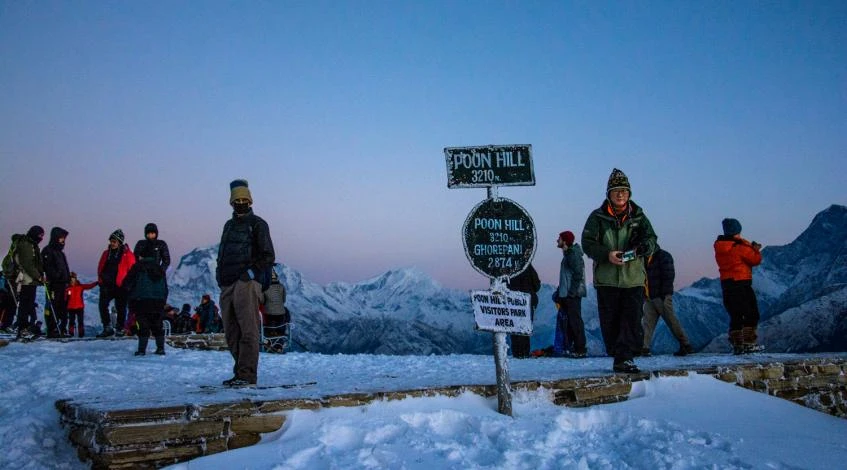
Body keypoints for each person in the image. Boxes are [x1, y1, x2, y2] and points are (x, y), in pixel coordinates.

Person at [582, 168, 657, 373]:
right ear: (608, 194)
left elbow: (652, 239)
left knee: (632, 318)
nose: (620, 194)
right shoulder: (597, 218)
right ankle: (619, 355)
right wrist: (607, 254)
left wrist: (643, 247)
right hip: (607, 278)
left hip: (633, 278)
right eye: (616, 190)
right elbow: (587, 243)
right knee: (611, 320)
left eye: (624, 190)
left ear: (629, 193)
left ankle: (625, 357)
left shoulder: (639, 217)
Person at [216, 179, 275, 386]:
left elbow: (268, 256)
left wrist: (249, 274)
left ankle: (247, 374)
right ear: (232, 202)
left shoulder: (258, 224)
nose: (241, 203)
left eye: (244, 200)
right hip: (227, 282)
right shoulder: (229, 226)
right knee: (231, 331)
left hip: (247, 282)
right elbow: (222, 252)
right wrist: (219, 274)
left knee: (248, 329)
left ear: (250, 201)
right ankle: (239, 371)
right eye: (237, 200)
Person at [714, 218, 763, 354]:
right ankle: (748, 343)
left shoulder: (719, 247)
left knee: (735, 315)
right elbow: (755, 260)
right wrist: (755, 249)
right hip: (741, 283)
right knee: (751, 313)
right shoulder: (739, 247)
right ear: (736, 231)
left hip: (727, 285)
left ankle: (737, 344)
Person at [642, 246, 693, 356]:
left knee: (671, 321)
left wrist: (664, 294)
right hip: (649, 296)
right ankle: (644, 348)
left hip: (661, 296)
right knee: (647, 323)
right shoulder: (643, 257)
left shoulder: (663, 256)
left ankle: (686, 344)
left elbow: (668, 276)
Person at [124, 231, 169, 356]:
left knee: (142, 326)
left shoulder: (137, 268)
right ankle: (160, 348)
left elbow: (127, 283)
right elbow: (165, 288)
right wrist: (162, 300)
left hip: (140, 302)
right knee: (157, 325)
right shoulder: (160, 270)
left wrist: (130, 298)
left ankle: (142, 350)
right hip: (157, 302)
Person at [130, 223, 170, 336]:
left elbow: (167, 260)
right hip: (143, 277)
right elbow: (135, 257)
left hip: (157, 277)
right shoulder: (141, 244)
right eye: (148, 233)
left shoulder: (161, 244)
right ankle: (143, 332)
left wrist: (160, 271)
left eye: (153, 233)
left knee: (158, 304)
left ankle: (158, 337)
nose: (151, 235)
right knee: (143, 307)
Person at [96, 229, 136, 337]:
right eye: (111, 241)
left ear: (120, 242)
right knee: (103, 305)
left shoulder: (127, 255)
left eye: (114, 241)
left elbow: (133, 270)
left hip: (121, 286)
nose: (112, 243)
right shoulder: (106, 253)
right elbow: (100, 267)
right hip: (107, 285)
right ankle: (107, 327)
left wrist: (128, 284)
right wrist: (101, 280)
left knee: (121, 307)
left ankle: (120, 328)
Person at [555, 231, 588, 358]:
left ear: (565, 241)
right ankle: (574, 347)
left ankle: (580, 349)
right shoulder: (568, 255)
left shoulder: (572, 255)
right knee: (570, 322)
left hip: (572, 296)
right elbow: (567, 276)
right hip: (567, 295)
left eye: (559, 238)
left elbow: (578, 274)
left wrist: (571, 293)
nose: (557, 240)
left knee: (575, 321)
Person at [11, 226, 45, 339]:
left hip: (29, 280)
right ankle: (22, 330)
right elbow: (27, 264)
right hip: (26, 279)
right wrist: (38, 276)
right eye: (40, 235)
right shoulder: (26, 245)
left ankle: (24, 329)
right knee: (25, 305)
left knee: (27, 304)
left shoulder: (30, 244)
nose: (41, 238)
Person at [41, 227, 71, 337]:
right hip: (53, 284)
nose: (63, 240)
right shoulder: (48, 250)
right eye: (62, 238)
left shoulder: (60, 253)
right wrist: (56, 276)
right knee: (52, 306)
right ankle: (52, 329)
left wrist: (67, 279)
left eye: (64, 238)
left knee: (62, 307)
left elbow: (65, 267)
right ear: (56, 238)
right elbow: (47, 267)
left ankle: (62, 329)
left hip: (63, 285)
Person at [506, 263, 540, 358]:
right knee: (525, 327)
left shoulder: (508, 266)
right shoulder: (528, 266)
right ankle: (524, 352)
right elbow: (537, 285)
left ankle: (517, 353)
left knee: (514, 327)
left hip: (513, 302)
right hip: (527, 301)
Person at [262, 269, 290, 353]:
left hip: (268, 314)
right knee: (280, 330)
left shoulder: (264, 288)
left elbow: (262, 301)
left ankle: (269, 345)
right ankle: (279, 345)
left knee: (268, 330)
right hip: (281, 314)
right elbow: (283, 300)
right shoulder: (282, 287)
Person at [65, 272, 98, 338]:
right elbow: (65, 298)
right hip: (71, 307)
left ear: (75, 279)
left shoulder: (80, 287)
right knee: (71, 322)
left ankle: (81, 335)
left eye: (73, 278)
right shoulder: (67, 288)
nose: (72, 280)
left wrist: (96, 283)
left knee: (80, 322)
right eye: (71, 279)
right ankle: (71, 334)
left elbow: (89, 286)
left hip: (79, 307)